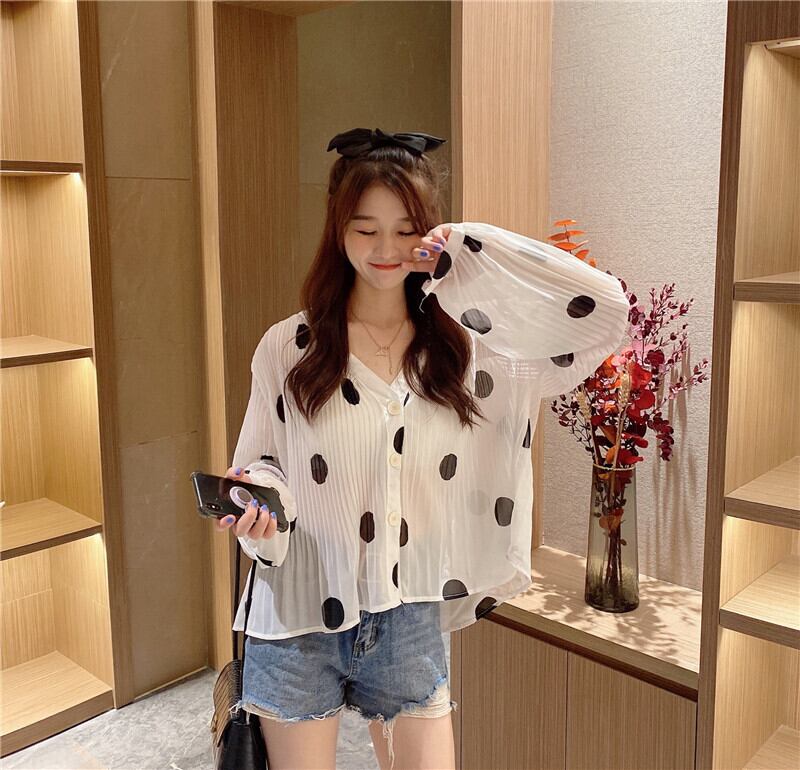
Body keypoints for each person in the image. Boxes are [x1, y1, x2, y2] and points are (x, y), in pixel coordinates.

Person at [213, 127, 630, 770]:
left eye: (407, 229)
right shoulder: (289, 347)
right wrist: (258, 507)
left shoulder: (466, 351)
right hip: (298, 612)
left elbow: (602, 312)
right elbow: (261, 463)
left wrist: (471, 256)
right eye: (366, 228)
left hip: (408, 617)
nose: (386, 249)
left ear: (430, 232)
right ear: (338, 230)